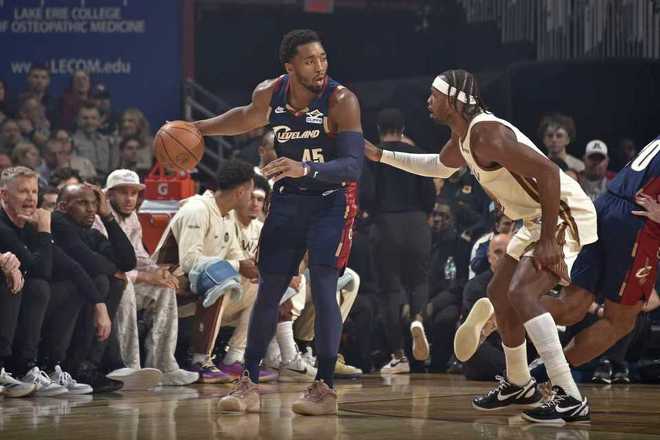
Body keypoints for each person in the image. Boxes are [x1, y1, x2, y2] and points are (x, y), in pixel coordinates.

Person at [365, 69, 597, 424]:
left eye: (434, 95)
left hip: (562, 214)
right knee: (498, 292)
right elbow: (438, 167)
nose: (428, 101)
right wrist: (381, 155)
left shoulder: (487, 134)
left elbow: (549, 173)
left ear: (454, 100)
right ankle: (519, 382)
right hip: (534, 218)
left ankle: (569, 395)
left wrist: (549, 239)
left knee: (521, 293)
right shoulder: (462, 138)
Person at [189, 29, 363, 416]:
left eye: (322, 58)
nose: (320, 66)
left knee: (323, 288)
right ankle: (248, 382)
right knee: (268, 290)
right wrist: (200, 128)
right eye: (309, 60)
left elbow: (353, 166)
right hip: (287, 202)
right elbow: (244, 117)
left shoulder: (341, 100)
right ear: (290, 67)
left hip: (330, 203)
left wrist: (305, 168)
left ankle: (324, 387)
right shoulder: (271, 92)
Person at [152, 160, 259, 384]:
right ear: (240, 192)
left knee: (261, 285)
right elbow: (190, 262)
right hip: (168, 283)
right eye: (251, 192)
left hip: (196, 285)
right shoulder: (197, 210)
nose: (252, 199)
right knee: (222, 279)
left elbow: (237, 256)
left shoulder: (226, 215)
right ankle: (200, 360)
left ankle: (234, 357)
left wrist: (254, 268)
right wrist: (238, 266)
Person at [95, 169, 199, 386]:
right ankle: (130, 367)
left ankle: (164, 365)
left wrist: (158, 272)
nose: (129, 199)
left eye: (133, 193)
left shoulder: (132, 216)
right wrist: (145, 276)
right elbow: (106, 266)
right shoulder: (98, 219)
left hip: (127, 279)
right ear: (109, 194)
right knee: (125, 287)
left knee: (165, 288)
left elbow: (138, 255)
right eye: (123, 192)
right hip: (104, 284)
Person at [53, 183, 160, 390]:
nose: (91, 209)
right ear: (63, 207)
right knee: (102, 280)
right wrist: (113, 269)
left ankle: (91, 365)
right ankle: (81, 366)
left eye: (94, 203)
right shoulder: (56, 222)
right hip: (51, 300)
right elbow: (87, 261)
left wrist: (108, 217)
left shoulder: (91, 233)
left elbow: (128, 262)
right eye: (83, 203)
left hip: (78, 299)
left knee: (116, 281)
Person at [360, 108, 435, 371]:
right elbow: (429, 194)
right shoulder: (417, 153)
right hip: (417, 222)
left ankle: (399, 355)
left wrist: (370, 212)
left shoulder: (372, 155)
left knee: (389, 290)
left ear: (378, 130)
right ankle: (417, 319)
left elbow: (366, 194)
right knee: (419, 280)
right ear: (403, 129)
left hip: (385, 224)